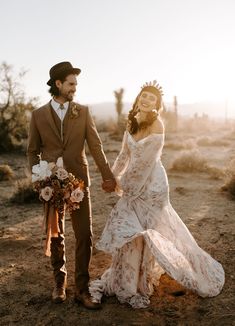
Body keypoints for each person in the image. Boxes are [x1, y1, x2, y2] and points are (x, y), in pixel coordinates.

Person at [89, 81, 225, 308]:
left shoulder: (157, 125)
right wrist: (111, 178)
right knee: (133, 235)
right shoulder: (132, 122)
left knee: (148, 232)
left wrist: (122, 185)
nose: (147, 100)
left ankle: (143, 281)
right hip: (133, 185)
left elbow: (144, 163)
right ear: (138, 98)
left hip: (151, 188)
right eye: (144, 96)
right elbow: (124, 155)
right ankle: (128, 281)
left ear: (157, 105)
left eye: (152, 99)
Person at [27, 61, 116, 309]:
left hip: (79, 182)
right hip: (51, 184)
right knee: (56, 234)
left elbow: (96, 146)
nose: (74, 88)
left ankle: (82, 288)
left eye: (76, 84)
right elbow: (32, 151)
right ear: (58, 84)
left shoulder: (83, 112)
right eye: (70, 83)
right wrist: (39, 178)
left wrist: (107, 175)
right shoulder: (37, 116)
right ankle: (59, 283)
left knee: (85, 234)